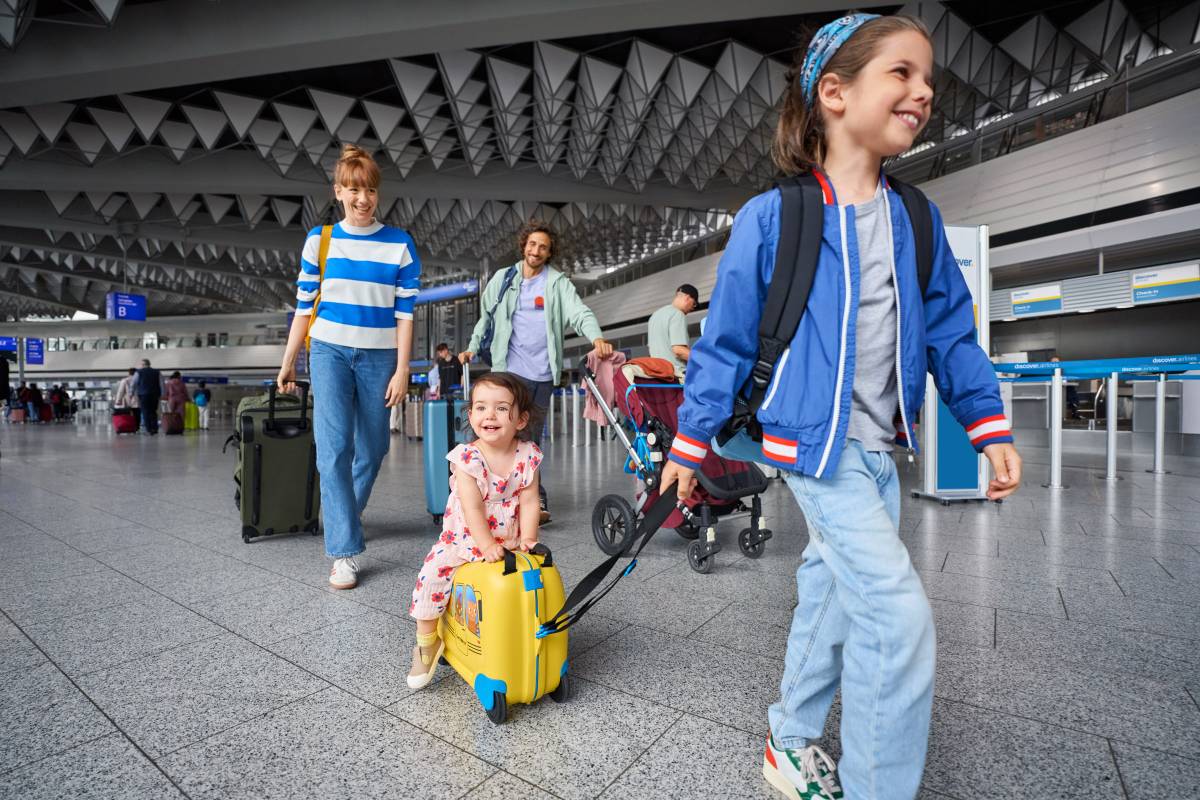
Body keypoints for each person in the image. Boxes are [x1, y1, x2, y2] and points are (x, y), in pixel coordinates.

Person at [658, 14, 1023, 800]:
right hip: (810, 453)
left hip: (876, 452)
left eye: (929, 80)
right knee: (897, 621)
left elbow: (953, 335)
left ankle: (789, 740)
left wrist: (986, 424)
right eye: (901, 73)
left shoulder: (916, 220)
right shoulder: (777, 216)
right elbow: (722, 346)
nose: (924, 91)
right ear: (834, 92)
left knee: (830, 593)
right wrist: (688, 447)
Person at [278, 143, 417, 591]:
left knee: (374, 447)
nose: (363, 199)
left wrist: (402, 369)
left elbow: (405, 315)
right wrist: (287, 364)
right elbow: (303, 308)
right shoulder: (320, 241)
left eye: (371, 190)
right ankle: (344, 552)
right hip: (329, 352)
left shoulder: (400, 244)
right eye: (354, 190)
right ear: (338, 191)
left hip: (379, 358)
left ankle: (346, 509)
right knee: (333, 448)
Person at [459, 220, 613, 524]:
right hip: (509, 372)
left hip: (542, 374)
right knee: (501, 434)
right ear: (524, 245)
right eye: (532, 244)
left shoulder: (557, 283)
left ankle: (532, 495)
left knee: (531, 439)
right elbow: (485, 317)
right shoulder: (504, 278)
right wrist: (472, 347)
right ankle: (494, 493)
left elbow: (578, 311)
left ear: (549, 251)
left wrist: (596, 336)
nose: (536, 250)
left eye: (543, 246)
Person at [405, 372, 542, 689]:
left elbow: (531, 499)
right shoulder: (467, 458)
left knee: (528, 582)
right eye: (480, 408)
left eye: (500, 408)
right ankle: (427, 645)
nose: (489, 415)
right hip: (463, 540)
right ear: (470, 416)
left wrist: (529, 537)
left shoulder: (528, 456)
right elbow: (472, 508)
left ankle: (517, 635)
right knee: (430, 579)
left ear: (520, 420)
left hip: (509, 540)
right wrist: (485, 545)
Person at [647, 283, 699, 376]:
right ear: (687, 298)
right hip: (675, 374)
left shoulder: (655, 315)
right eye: (694, 304)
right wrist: (704, 359)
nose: (692, 308)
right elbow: (679, 350)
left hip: (657, 374)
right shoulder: (678, 314)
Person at [134, 359, 163, 434]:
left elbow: (134, 383)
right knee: (153, 411)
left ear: (143, 365)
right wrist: (162, 394)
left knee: (145, 412)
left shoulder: (138, 372)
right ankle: (155, 428)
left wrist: (131, 393)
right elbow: (161, 384)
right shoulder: (157, 372)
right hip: (155, 394)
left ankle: (149, 429)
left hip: (143, 395)